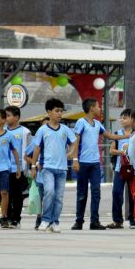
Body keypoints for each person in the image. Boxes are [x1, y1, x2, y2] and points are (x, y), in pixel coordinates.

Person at [71, 98, 127, 230]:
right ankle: (79, 221)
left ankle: (94, 222)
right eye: (98, 106)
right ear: (91, 108)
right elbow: (75, 141)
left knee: (96, 192)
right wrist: (75, 160)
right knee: (82, 193)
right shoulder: (81, 122)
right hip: (83, 163)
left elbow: (109, 136)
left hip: (95, 163)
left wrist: (127, 136)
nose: (100, 108)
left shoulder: (97, 123)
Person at [31, 98, 77, 233]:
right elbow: (37, 149)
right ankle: (45, 220)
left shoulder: (65, 130)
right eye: (57, 111)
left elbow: (74, 143)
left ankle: (55, 222)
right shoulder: (42, 130)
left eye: (61, 111)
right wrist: (33, 167)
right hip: (47, 168)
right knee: (49, 192)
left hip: (62, 169)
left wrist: (72, 153)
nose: (60, 114)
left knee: (59, 197)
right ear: (49, 112)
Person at [4, 105, 31, 229]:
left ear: (17, 117)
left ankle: (16, 219)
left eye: (8, 115)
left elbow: (28, 150)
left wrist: (26, 168)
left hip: (18, 169)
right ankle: (7, 217)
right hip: (4, 168)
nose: (6, 118)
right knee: (5, 194)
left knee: (17, 195)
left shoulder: (25, 132)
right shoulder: (2, 131)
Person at [107, 109, 133, 228]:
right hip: (120, 169)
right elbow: (111, 150)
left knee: (133, 194)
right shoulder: (118, 133)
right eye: (121, 118)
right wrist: (123, 152)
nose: (122, 120)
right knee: (117, 192)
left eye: (125, 117)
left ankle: (134, 219)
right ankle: (117, 220)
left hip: (134, 168)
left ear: (132, 119)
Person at [26, 116, 49, 229]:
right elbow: (26, 156)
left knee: (51, 196)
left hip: (54, 171)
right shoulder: (36, 140)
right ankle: (39, 217)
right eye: (44, 125)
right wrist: (35, 164)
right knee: (40, 197)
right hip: (40, 174)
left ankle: (49, 218)